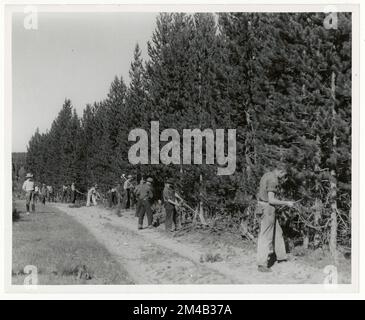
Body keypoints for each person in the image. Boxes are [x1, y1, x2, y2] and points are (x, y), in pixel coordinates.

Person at [256, 165, 294, 273]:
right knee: (265, 237)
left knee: (278, 233)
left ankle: (281, 257)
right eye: (283, 175)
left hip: (263, 206)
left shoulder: (266, 175)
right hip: (268, 209)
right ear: (279, 171)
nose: (283, 177)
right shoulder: (273, 179)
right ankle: (262, 264)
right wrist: (287, 203)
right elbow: (271, 200)